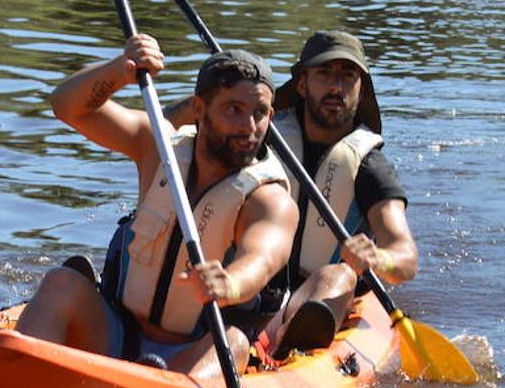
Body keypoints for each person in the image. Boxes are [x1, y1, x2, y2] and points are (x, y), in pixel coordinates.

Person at [15, 34, 298, 378]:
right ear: (198, 109)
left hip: (191, 349)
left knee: (233, 342)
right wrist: (118, 71)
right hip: (117, 330)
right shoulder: (157, 146)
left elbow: (263, 259)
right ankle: (19, 381)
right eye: (233, 110)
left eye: (260, 113)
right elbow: (66, 105)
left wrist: (230, 283)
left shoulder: (269, 198)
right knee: (61, 282)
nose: (249, 127)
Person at [166, 29, 418, 361]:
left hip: (320, 294)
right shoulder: (257, 132)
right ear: (301, 84)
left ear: (361, 89)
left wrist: (378, 259)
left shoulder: (370, 166)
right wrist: (217, 96)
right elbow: (162, 126)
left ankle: (288, 346)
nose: (335, 87)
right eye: (324, 73)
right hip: (250, 281)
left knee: (338, 274)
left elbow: (406, 257)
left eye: (348, 76)